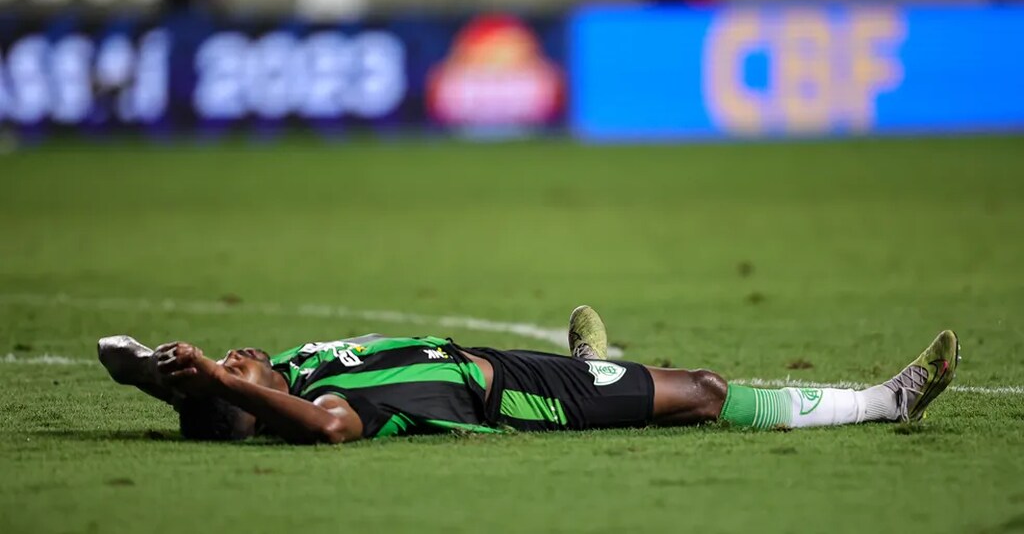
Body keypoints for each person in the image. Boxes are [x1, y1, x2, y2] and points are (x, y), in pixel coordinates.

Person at [98, 306, 960, 444]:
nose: (235, 357)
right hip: (518, 397)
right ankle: (885, 402)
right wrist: (228, 385)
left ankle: (602, 372)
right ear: (256, 405)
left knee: (643, 379)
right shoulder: (318, 403)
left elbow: (119, 353)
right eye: (234, 372)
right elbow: (324, 431)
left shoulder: (290, 366)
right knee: (701, 390)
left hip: (502, 362)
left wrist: (171, 377)